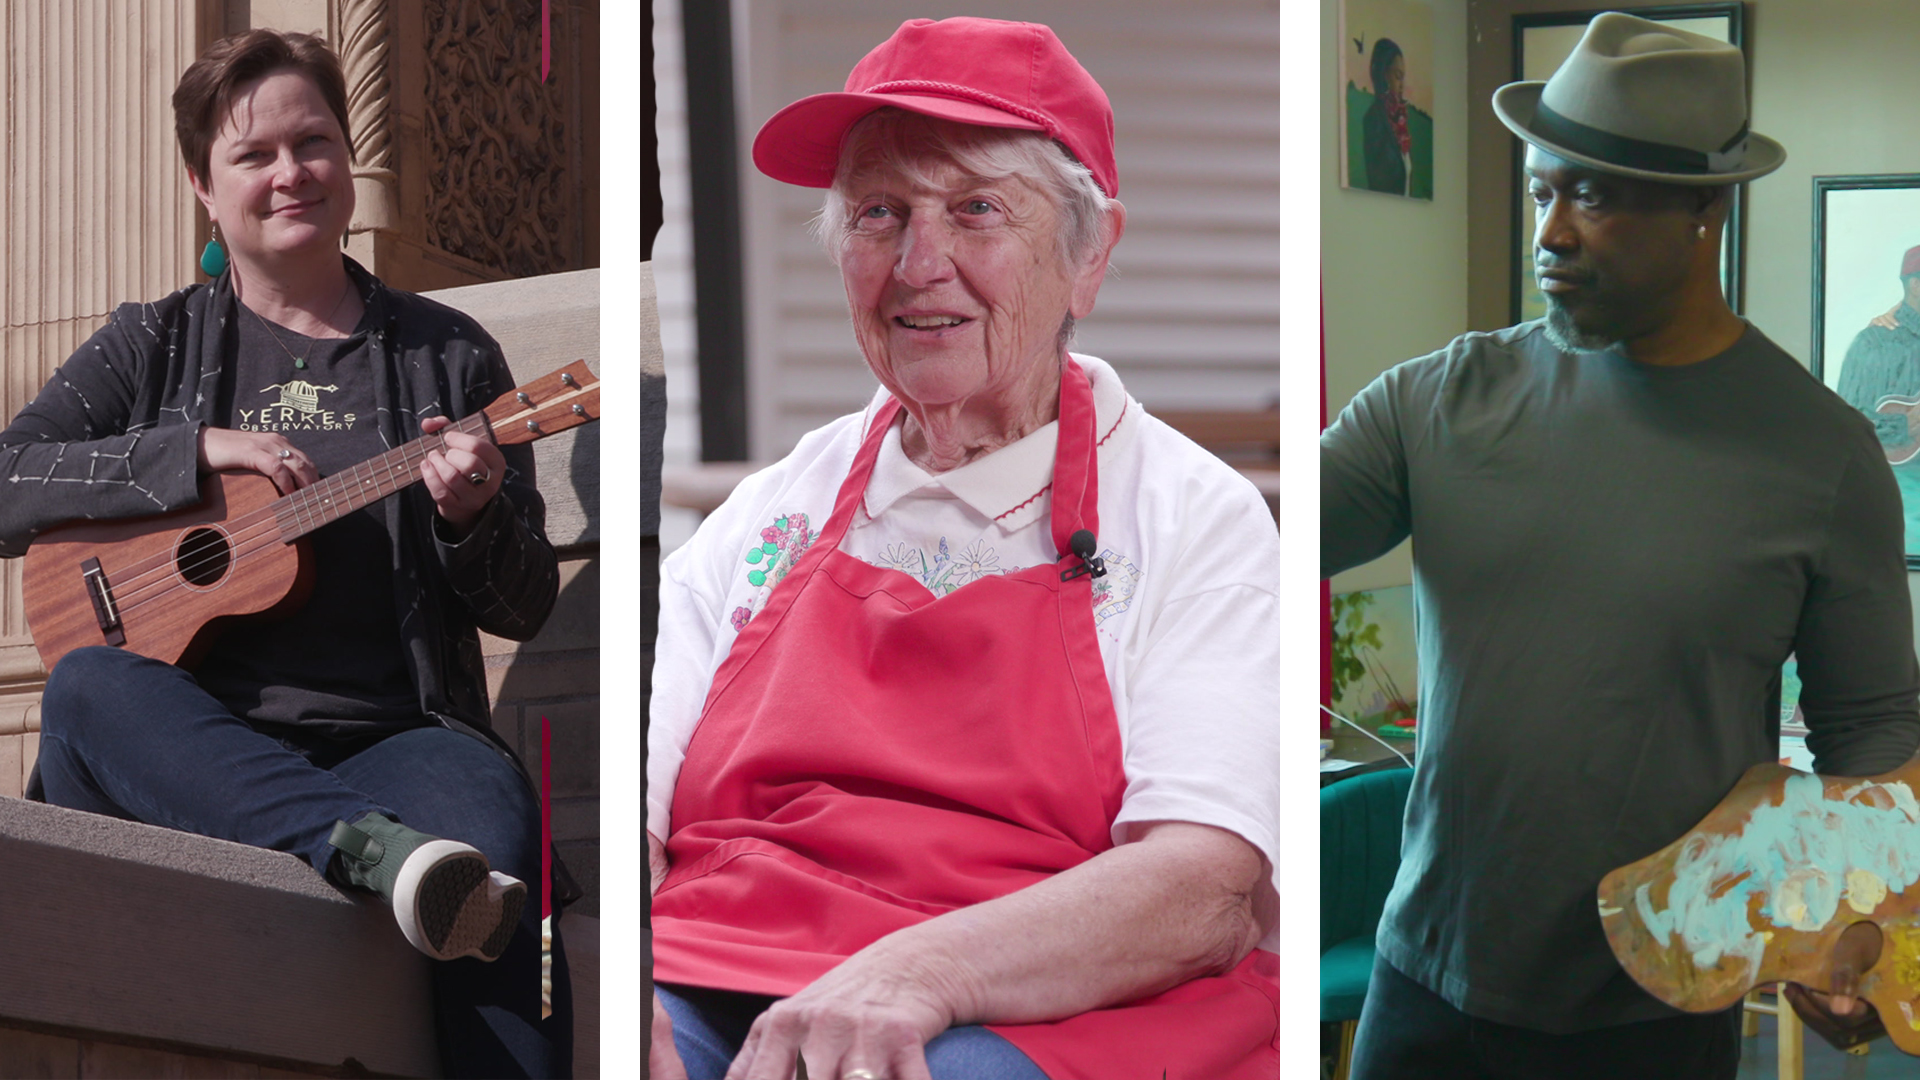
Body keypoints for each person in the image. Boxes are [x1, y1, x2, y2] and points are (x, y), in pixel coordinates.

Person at [647, 17, 1279, 1080]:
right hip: (714, 963)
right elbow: (631, 795)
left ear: (1091, 254)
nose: (918, 263)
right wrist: (622, 995)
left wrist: (916, 974)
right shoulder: (770, 511)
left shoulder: (1193, 517)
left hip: (1037, 1000)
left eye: (976, 210)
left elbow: (1199, 885)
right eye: (878, 214)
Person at [1322, 14, 1920, 1079]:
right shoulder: (1439, 401)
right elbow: (1243, 545)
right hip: (1423, 991)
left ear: (1707, 205)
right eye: (1546, 188)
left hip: (1654, 1021)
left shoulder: (1824, 458)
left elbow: (1872, 735)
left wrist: (1865, 936)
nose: (1550, 229)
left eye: (1593, 196)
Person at [0, 30, 569, 1079]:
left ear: (347, 160)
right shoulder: (155, 344)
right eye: (253, 156)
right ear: (202, 189)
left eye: (312, 143)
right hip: (189, 734)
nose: (290, 174)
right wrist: (184, 452)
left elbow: (525, 602)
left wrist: (472, 515)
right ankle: (372, 853)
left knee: (497, 850)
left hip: (396, 736)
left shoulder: (445, 356)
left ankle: (395, 863)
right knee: (86, 689)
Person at [1360, 38, 1410, 196]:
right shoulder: (1374, 120)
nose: (1402, 85)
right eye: (1397, 76)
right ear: (1383, 74)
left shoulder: (1400, 124)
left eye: (1403, 77)